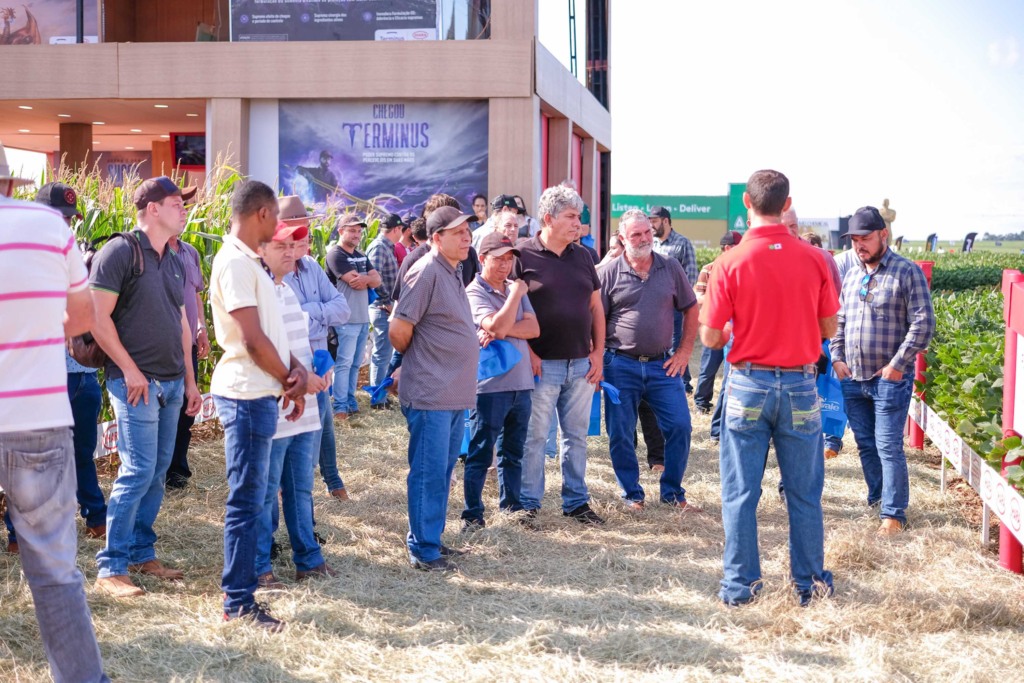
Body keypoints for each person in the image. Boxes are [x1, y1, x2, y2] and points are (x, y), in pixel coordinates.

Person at [701, 169, 838, 607]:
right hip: (800, 382)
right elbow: (828, 327)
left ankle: (740, 587)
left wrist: (733, 331)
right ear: (787, 203)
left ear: (747, 202)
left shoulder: (729, 261)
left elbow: (709, 338)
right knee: (803, 491)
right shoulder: (816, 259)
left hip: (747, 382)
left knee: (741, 491)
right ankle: (809, 583)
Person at [0, 148, 110, 682]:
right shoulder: (48, 225)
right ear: (10, 183)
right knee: (53, 573)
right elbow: (81, 319)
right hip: (38, 415)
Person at [90, 176, 203, 598]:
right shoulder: (120, 251)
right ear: (153, 208)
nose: (184, 209)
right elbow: (98, 320)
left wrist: (191, 381)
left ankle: (141, 552)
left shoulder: (172, 257)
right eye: (177, 202)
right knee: (137, 471)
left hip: (172, 384)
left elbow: (180, 326)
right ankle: (111, 568)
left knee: (156, 473)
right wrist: (130, 370)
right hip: (135, 384)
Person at [209, 179, 308, 630]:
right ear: (263, 214)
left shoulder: (249, 262)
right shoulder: (235, 262)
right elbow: (251, 340)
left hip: (259, 390)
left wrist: (293, 375)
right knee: (247, 502)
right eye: (278, 219)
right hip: (246, 393)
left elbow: (268, 334)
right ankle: (238, 602)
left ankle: (241, 596)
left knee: (251, 498)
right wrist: (289, 378)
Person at [5, 182, 108, 554]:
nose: (66, 225)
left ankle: (96, 517)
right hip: (42, 377)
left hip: (83, 376)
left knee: (82, 452)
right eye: (59, 218)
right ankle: (18, 535)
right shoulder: (18, 258)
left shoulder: (78, 255)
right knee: (30, 461)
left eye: (69, 219)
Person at [830, 206, 935, 536]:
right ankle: (877, 500)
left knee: (888, 445)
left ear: (883, 236)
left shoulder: (907, 272)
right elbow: (840, 321)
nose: (859, 245)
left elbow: (923, 324)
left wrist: (896, 365)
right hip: (853, 377)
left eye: (865, 238)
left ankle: (894, 514)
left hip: (888, 379)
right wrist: (836, 358)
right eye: (855, 239)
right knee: (865, 444)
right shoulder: (851, 275)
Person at [389, 205, 480, 571]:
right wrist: (425, 359)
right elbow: (399, 329)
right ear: (436, 238)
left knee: (442, 470)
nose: (467, 237)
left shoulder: (452, 270)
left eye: (467, 231)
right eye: (458, 232)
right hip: (431, 392)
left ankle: (432, 540)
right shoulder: (426, 270)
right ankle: (423, 550)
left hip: (452, 393)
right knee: (428, 471)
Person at [598, 210, 700, 511]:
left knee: (681, 426)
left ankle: (672, 493)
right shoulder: (608, 273)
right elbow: (596, 320)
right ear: (622, 239)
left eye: (646, 233)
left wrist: (683, 353)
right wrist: (598, 360)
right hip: (620, 365)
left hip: (662, 365)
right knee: (620, 432)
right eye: (635, 235)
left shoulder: (669, 267)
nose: (644, 239)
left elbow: (691, 309)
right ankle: (632, 495)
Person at [517, 185, 606, 524]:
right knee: (536, 436)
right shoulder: (522, 255)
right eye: (571, 217)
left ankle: (576, 502)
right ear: (548, 218)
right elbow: (510, 310)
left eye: (579, 218)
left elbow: (596, 307)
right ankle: (528, 504)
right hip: (541, 366)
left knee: (576, 437)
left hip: (581, 364)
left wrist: (598, 353)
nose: (578, 224)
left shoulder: (584, 255)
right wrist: (528, 352)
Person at [254, 221, 334, 587]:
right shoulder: (260, 291)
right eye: (281, 245)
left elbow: (298, 343)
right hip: (278, 402)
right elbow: (262, 350)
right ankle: (259, 567)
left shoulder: (286, 291)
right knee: (267, 490)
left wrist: (321, 362)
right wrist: (301, 380)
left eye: (294, 245)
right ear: (261, 250)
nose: (290, 251)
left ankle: (308, 559)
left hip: (304, 402)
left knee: (300, 488)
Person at [462, 232, 540, 531]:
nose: (506, 265)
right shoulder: (475, 291)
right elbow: (494, 324)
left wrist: (502, 327)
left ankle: (512, 509)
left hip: (521, 383)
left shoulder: (512, 288)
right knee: (481, 451)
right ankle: (472, 515)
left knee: (513, 453)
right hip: (490, 386)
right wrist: (515, 297)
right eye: (499, 259)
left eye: (510, 259)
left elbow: (533, 329)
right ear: (482, 259)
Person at [280, 196, 351, 500]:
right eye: (298, 233)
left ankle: (331, 480)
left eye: (306, 233)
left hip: (319, 360)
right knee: (307, 428)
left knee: (324, 422)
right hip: (293, 363)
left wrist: (311, 312)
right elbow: (286, 323)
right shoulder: (274, 272)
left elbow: (343, 308)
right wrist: (321, 314)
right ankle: (299, 488)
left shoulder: (311, 266)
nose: (304, 239)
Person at [782, 207, 844, 460]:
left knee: (802, 424)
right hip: (764, 364)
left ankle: (791, 489)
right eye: (782, 227)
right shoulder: (754, 257)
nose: (788, 233)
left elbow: (833, 303)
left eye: (792, 227)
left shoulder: (821, 259)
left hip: (806, 359)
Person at [165, 196, 211, 490]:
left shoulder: (190, 252)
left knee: (185, 410)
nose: (184, 214)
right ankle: (160, 472)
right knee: (164, 412)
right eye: (178, 207)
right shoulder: (148, 252)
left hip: (189, 345)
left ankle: (177, 472)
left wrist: (202, 327)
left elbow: (195, 295)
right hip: (161, 346)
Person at [325, 215, 380, 420]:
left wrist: (367, 279)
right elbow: (353, 281)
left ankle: (350, 401)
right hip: (345, 320)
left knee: (356, 363)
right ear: (341, 231)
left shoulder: (360, 255)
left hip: (362, 318)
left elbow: (377, 280)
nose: (357, 235)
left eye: (359, 231)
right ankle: (339, 407)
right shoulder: (335, 255)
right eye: (352, 230)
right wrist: (369, 279)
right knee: (344, 363)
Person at [694, 231, 741, 418]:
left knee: (730, 373)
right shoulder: (708, 269)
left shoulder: (741, 268)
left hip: (735, 330)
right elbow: (698, 298)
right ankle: (701, 403)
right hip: (713, 327)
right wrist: (722, 301)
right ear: (728, 248)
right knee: (707, 369)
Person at [366, 213, 405, 410]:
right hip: (382, 307)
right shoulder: (380, 248)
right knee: (382, 354)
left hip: (386, 306)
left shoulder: (385, 247)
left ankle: (380, 394)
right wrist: (387, 301)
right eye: (401, 230)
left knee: (384, 354)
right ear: (396, 229)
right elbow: (374, 278)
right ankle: (377, 398)